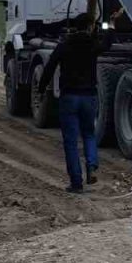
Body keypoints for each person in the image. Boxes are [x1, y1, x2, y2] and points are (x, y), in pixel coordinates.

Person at [37, 15, 107, 193]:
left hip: (69, 97)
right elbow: (107, 44)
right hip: (89, 96)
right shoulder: (92, 45)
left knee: (70, 141)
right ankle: (91, 166)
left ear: (73, 27)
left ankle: (76, 183)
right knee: (89, 134)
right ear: (90, 27)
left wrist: (41, 89)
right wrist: (110, 27)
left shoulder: (64, 45)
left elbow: (50, 67)